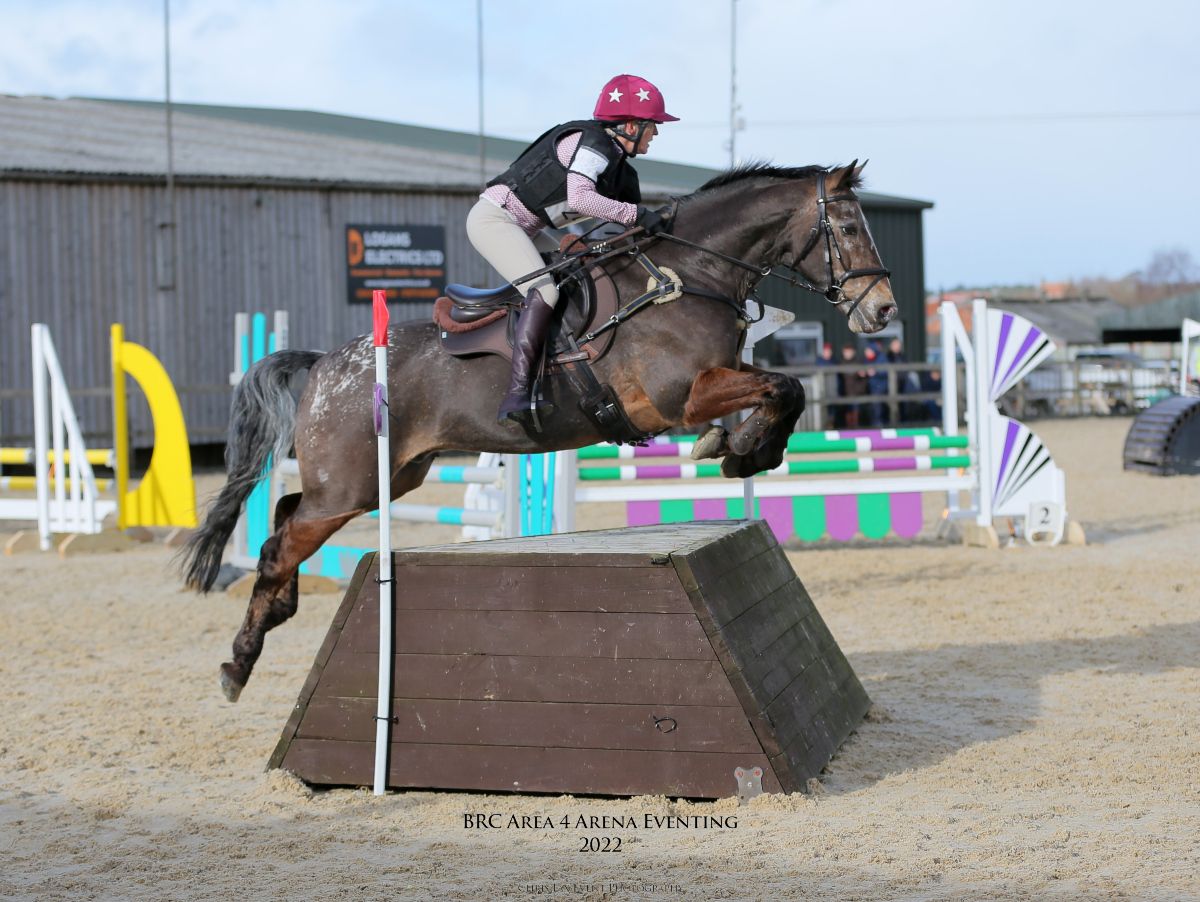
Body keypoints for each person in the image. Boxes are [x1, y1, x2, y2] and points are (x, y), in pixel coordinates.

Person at [467, 74, 679, 425]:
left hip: (531, 227)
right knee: (545, 290)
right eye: (652, 126)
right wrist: (636, 214)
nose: (655, 134)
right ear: (629, 125)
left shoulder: (620, 167)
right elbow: (581, 197)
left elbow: (615, 222)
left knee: (585, 275)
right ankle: (517, 393)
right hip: (495, 220)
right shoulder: (593, 143)